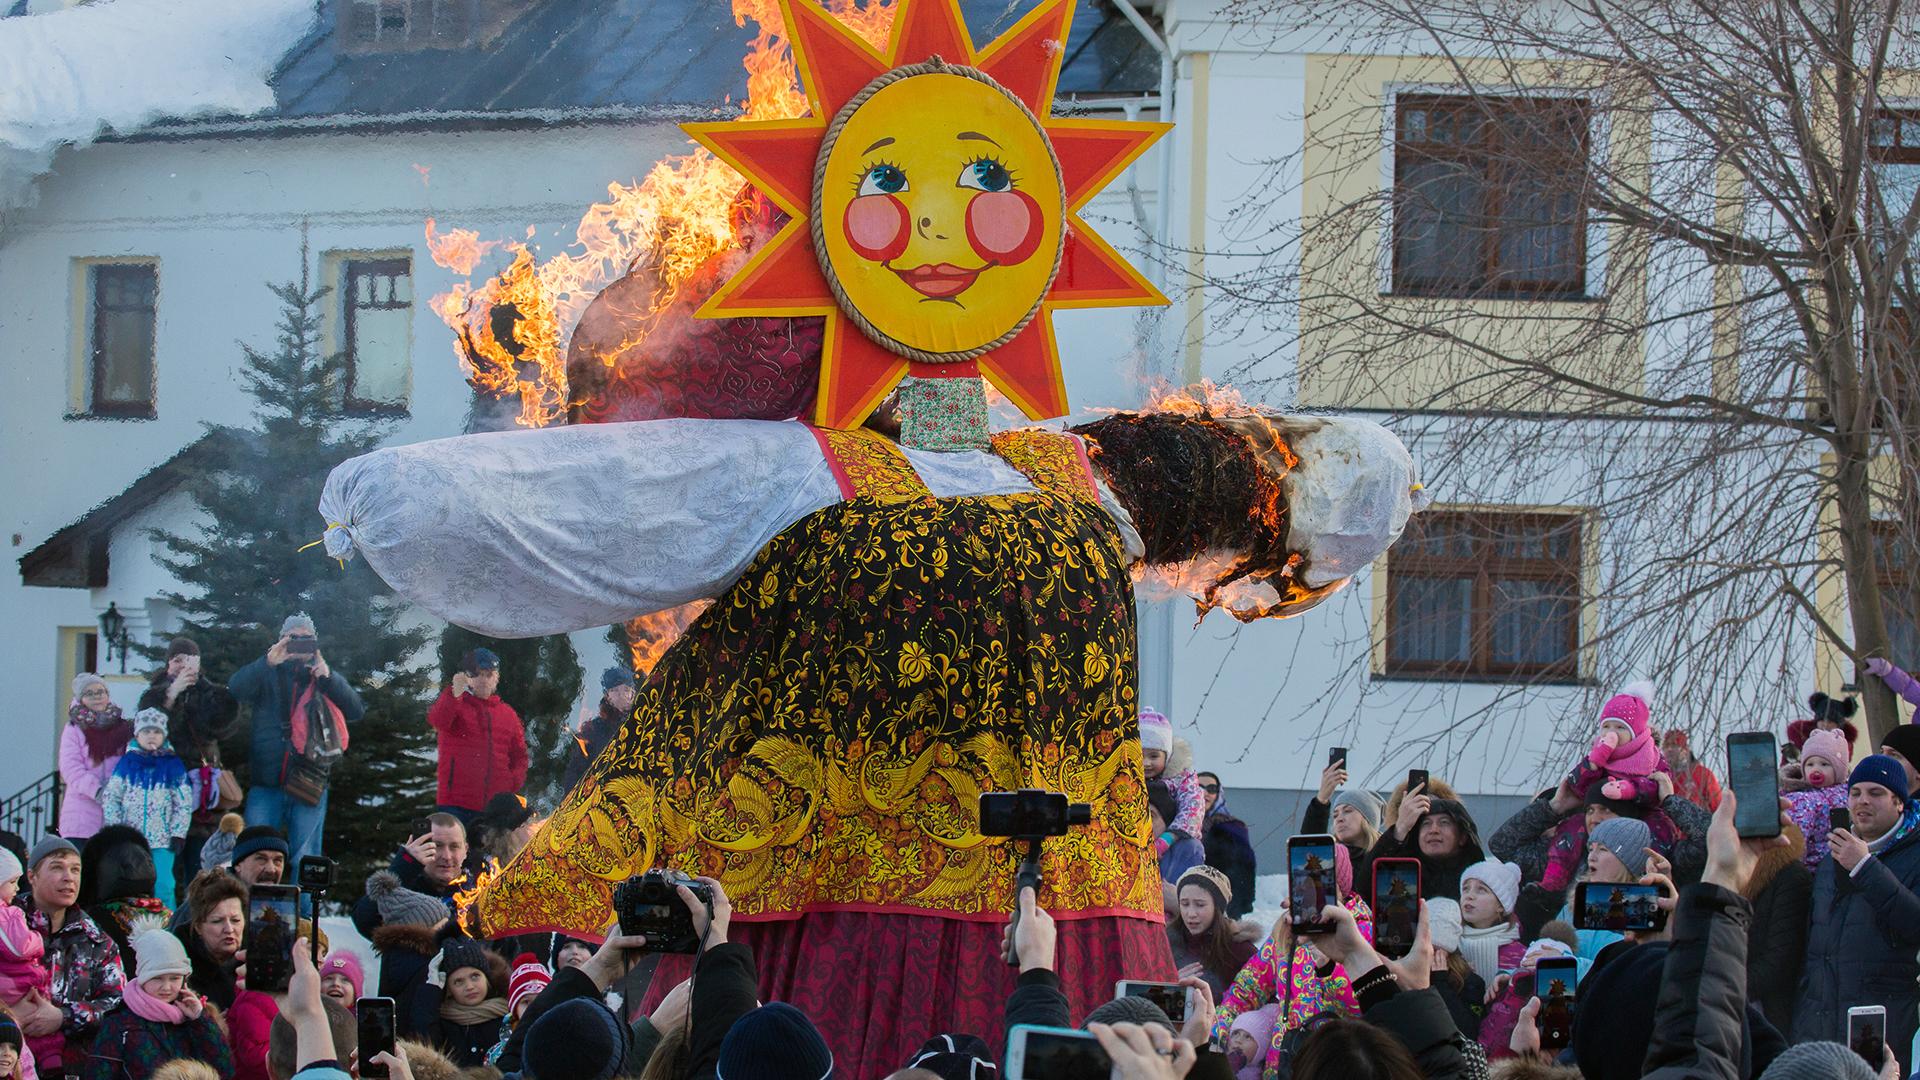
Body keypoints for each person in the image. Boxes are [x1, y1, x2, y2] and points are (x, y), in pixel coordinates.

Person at [1793, 753, 1920, 1055]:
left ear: (1899, 802)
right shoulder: (1829, 861)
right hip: (1819, 1030)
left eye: (1876, 793)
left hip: (1881, 1029)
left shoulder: (1915, 855)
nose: (1863, 801)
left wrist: (1865, 866)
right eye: (1855, 793)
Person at [1212, 845, 1374, 1078]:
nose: (1312, 889)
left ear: (1340, 886)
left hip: (1336, 1065)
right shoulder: (1287, 931)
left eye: (1321, 881)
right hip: (1284, 1064)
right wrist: (1219, 1032)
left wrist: (1328, 969)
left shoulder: (1363, 932)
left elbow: (1366, 1005)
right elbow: (1246, 987)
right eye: (1302, 881)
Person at [229, 614, 365, 866]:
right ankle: (252, 905)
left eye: (306, 639)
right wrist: (266, 662)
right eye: (294, 638)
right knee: (252, 853)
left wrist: (329, 677)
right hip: (266, 781)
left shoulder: (322, 675)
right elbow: (235, 689)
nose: (300, 644)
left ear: (316, 642)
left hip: (309, 780)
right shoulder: (266, 670)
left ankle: (303, 906)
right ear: (281, 639)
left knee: (306, 858)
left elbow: (356, 710)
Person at [136, 637, 239, 902]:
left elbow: (223, 726)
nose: (182, 665)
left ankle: (199, 916)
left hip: (201, 791)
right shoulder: (153, 694)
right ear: (168, 663)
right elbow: (148, 729)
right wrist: (172, 693)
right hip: (164, 789)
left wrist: (201, 687)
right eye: (177, 660)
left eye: (189, 660)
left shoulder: (208, 693)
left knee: (200, 863)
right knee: (164, 866)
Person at [19, 836, 125, 1074]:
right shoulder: (7, 929)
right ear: (31, 876)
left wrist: (63, 1017)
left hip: (74, 1067)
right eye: (57, 867)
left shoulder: (97, 940)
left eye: (75, 869)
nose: (69, 877)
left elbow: (116, 1003)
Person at [80, 926, 231, 1080]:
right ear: (142, 977)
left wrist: (201, 1020)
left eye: (174, 978)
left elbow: (224, 1070)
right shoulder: (119, 1024)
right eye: (157, 978)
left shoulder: (192, 1020)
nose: (166, 987)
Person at [426, 649, 528, 826]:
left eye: (489, 674)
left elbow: (520, 757)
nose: (484, 680)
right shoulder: (456, 704)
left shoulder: (508, 714)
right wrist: (453, 693)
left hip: (494, 808)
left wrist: (510, 784)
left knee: (490, 853)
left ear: (496, 677)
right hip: (455, 804)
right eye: (478, 674)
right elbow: (438, 720)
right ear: (467, 677)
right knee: (453, 852)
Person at [97, 710, 194, 893]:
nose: (151, 736)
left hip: (162, 839)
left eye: (156, 732)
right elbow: (112, 797)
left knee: (163, 884)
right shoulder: (126, 763)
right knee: (132, 881)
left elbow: (183, 802)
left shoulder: (173, 764)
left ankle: (166, 920)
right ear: (137, 735)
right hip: (131, 838)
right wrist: (117, 830)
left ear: (163, 735)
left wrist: (178, 832)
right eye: (146, 731)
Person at [1741, 821, 1811, 1037]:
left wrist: (1730, 989)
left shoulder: (1791, 876)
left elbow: (1781, 958)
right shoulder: (1733, 872)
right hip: (1739, 998)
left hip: (1768, 1010)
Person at [1361, 780, 1485, 900]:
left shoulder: (1480, 877)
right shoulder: (1402, 874)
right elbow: (1366, 888)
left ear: (1462, 836)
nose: (1434, 830)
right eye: (1425, 823)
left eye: (1444, 822)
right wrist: (1400, 828)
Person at [351, 816, 466, 938]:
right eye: (437, 846)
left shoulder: (480, 886)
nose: (447, 856)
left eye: (454, 846)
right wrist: (405, 864)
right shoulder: (407, 886)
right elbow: (365, 921)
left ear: (466, 850)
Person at [409, 938, 508, 1067]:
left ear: (486, 978)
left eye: (475, 976)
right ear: (449, 989)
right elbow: (423, 1045)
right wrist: (431, 990)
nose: (469, 986)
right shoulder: (442, 1021)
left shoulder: (507, 1016)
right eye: (458, 982)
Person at [59, 674, 130, 842]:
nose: (97, 696)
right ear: (81, 698)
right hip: (81, 817)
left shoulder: (123, 727)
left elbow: (129, 762)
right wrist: (97, 790)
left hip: (116, 814)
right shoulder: (73, 728)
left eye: (101, 691)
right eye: (89, 693)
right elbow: (71, 768)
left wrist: (117, 789)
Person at [1167, 866, 1256, 999]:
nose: (1191, 913)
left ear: (1217, 907)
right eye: (1185, 904)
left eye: (1200, 905)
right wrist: (1170, 985)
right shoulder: (1166, 944)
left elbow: (1265, 1003)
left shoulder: (1240, 951)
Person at [0, 852, 47, 1080]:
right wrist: (38, 939)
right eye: (12, 882)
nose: (18, 889)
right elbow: (19, 947)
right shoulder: (8, 915)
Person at [173, 870, 246, 1011]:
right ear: (198, 927)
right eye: (217, 921)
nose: (229, 929)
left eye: (236, 920)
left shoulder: (256, 961)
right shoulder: (180, 973)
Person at [1784, 726, 1852, 869]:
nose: (1816, 769)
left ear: (1839, 771)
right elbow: (1795, 836)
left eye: (1824, 764)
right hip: (1809, 867)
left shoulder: (1851, 793)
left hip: (1838, 863)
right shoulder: (1801, 799)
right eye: (1810, 764)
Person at [563, 667, 636, 795]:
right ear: (607, 695)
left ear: (633, 693)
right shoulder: (592, 731)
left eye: (626, 689)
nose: (621, 695)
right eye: (615, 690)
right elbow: (574, 774)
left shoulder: (643, 721)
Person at [1196, 772, 1258, 918]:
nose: (1205, 793)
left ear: (1219, 794)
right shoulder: (1178, 823)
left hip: (1223, 905)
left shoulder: (1233, 827)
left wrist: (1238, 905)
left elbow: (1245, 867)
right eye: (1198, 787)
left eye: (1211, 789)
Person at [1302, 761, 1383, 867]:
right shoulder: (1329, 863)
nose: (1339, 819)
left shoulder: (1384, 862)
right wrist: (1321, 799)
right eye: (1335, 815)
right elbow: (1310, 843)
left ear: (1368, 819)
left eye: (1348, 811)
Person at [1659, 729, 1722, 812]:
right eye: (1666, 746)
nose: (1669, 749)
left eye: (1674, 745)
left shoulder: (1702, 774)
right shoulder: (1661, 776)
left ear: (1685, 750)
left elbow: (1717, 806)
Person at [1786, 689, 1861, 755]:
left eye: (1830, 722)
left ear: (1839, 726)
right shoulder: (1801, 736)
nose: (1825, 724)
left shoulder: (1844, 744)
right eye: (1822, 720)